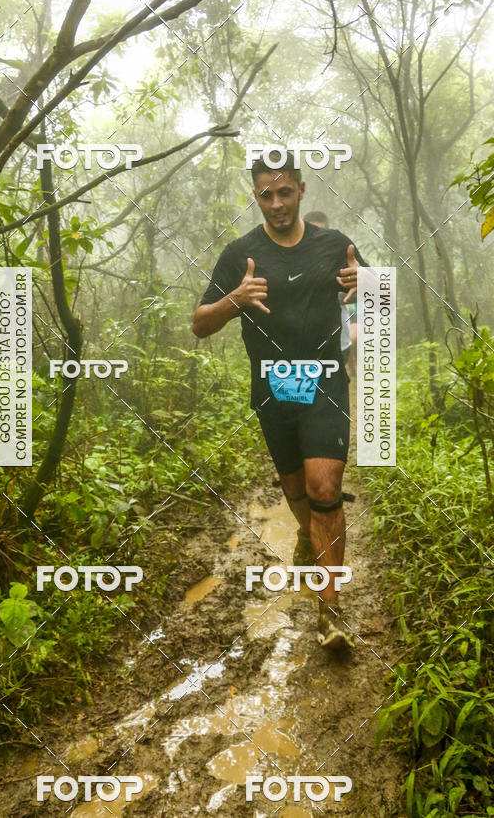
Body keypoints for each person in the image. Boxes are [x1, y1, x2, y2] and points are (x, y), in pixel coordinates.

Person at [192, 151, 367, 649]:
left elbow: (382, 300)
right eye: (266, 194)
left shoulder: (335, 245)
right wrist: (234, 300)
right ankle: (308, 535)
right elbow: (200, 324)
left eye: (285, 192)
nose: (276, 203)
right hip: (272, 388)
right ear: (256, 196)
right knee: (296, 491)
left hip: (325, 384)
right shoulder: (239, 253)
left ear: (302, 190)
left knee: (324, 488)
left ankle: (330, 609)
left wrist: (368, 286)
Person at [304, 211, 353, 372]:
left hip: (339, 343)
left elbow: (371, 294)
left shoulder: (341, 260)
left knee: (333, 389)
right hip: (304, 347)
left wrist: (342, 293)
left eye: (321, 232)